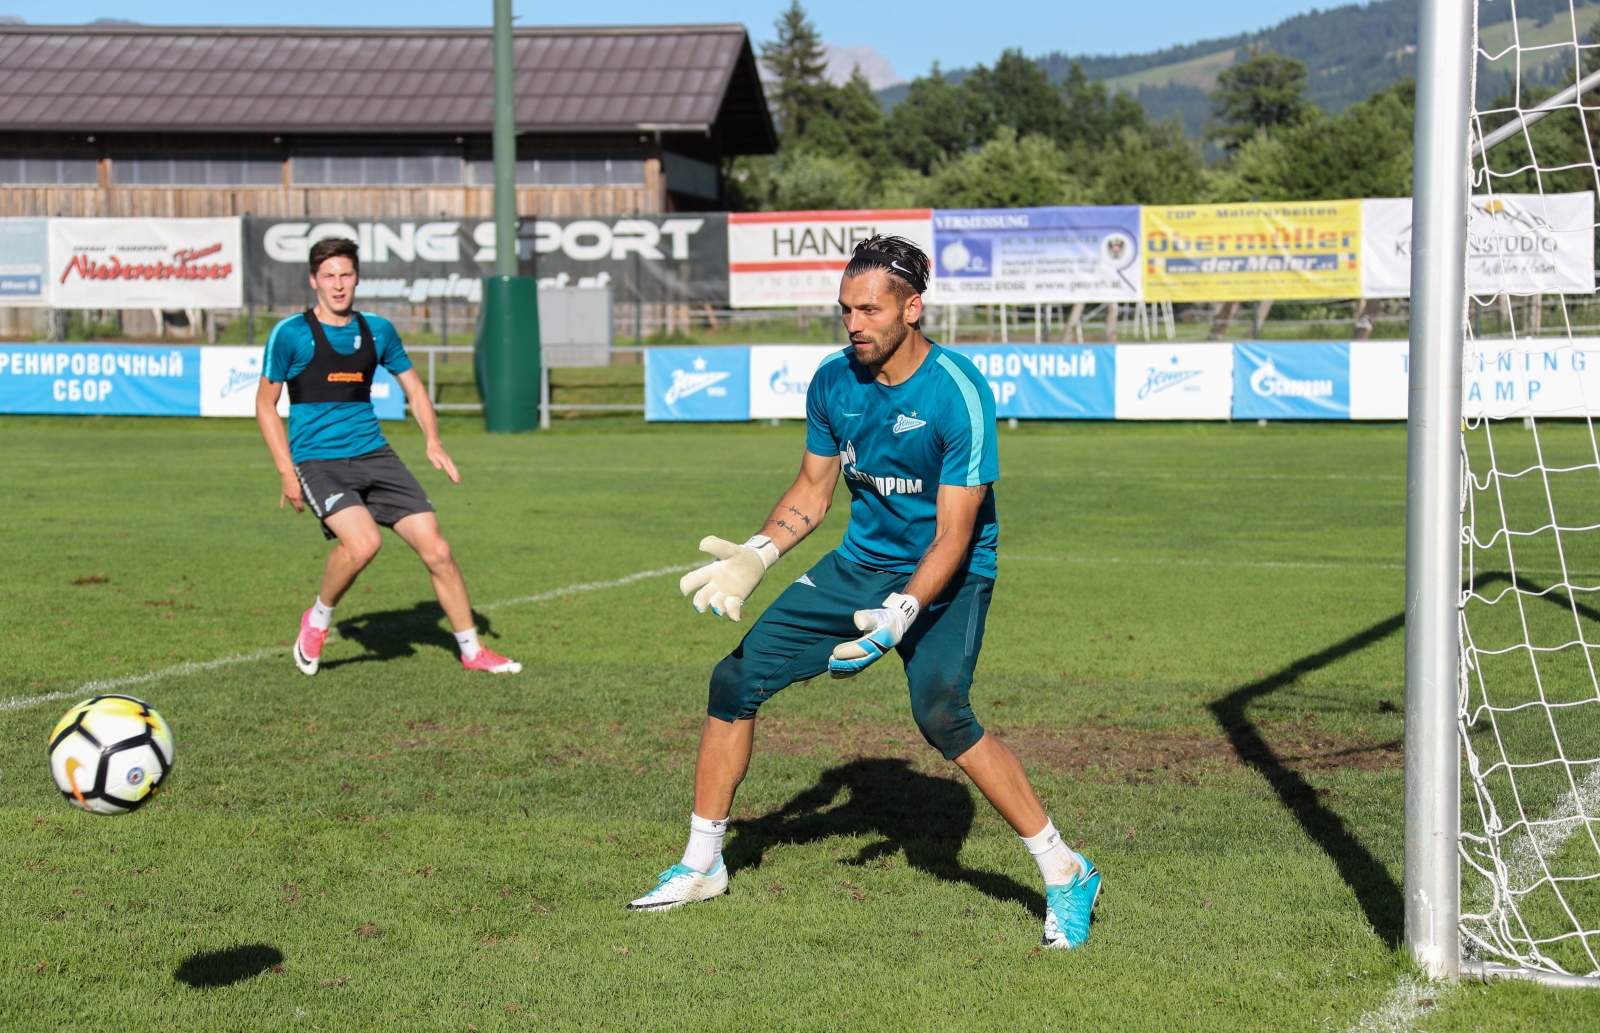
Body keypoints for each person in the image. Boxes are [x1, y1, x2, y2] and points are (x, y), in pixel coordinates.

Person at [625, 236, 1101, 948]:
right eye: (846, 308)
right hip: (858, 564)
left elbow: (953, 533)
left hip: (950, 571)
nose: (854, 323)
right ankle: (701, 863)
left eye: (870, 309)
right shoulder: (832, 381)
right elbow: (814, 489)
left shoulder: (958, 390)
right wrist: (759, 552)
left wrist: (901, 613)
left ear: (912, 308)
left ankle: (1065, 870)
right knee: (734, 679)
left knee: (941, 713)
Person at [254, 237, 520, 676]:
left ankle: (472, 651)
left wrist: (433, 440)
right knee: (363, 545)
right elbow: (266, 404)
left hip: (375, 455)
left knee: (437, 549)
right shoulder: (290, 334)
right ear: (313, 280)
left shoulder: (377, 330)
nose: (338, 285)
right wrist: (286, 469)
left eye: (346, 275)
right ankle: (317, 620)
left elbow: (414, 388)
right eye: (329, 276)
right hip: (318, 461)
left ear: (356, 277)